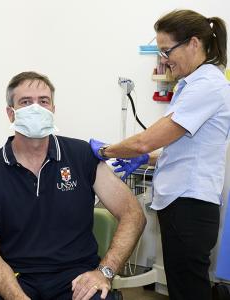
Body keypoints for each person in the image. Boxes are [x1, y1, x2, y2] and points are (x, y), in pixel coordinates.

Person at [0, 71, 146, 300]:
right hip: (15, 276)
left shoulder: (81, 156)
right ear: (10, 114)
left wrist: (105, 272)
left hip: (76, 277)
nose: (36, 108)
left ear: (53, 110)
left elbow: (133, 214)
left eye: (43, 101)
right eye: (25, 102)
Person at [90, 9, 230, 300]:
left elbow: (146, 140)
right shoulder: (192, 85)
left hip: (189, 204)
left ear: (193, 43)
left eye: (167, 50)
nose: (164, 59)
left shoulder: (207, 86)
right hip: (183, 203)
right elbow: (184, 148)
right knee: (186, 285)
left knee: (189, 290)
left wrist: (104, 151)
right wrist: (148, 158)